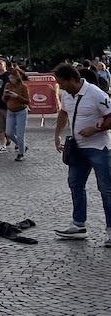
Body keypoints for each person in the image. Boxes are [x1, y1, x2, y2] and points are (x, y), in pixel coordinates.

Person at [52, 63, 111, 247]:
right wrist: (57, 134)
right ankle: (78, 225)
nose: (60, 87)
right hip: (77, 147)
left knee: (106, 189)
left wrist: (94, 129)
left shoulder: (95, 94)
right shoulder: (66, 95)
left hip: (98, 147)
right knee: (75, 184)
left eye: (62, 83)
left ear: (72, 80)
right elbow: (63, 113)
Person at [4, 67, 30, 162]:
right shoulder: (7, 85)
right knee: (9, 132)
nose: (11, 80)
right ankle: (22, 146)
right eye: (10, 78)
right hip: (10, 111)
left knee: (20, 134)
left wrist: (17, 96)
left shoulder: (23, 87)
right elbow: (4, 99)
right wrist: (6, 95)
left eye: (13, 78)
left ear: (17, 77)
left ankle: (21, 153)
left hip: (21, 111)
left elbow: (27, 101)